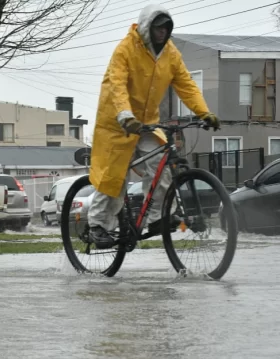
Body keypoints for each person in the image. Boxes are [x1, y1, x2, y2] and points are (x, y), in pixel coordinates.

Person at [87, 4, 220, 249]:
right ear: (147, 28)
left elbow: (186, 84)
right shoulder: (126, 49)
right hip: (116, 122)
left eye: (167, 28)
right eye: (158, 27)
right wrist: (125, 116)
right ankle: (98, 225)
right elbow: (116, 84)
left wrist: (204, 112)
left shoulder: (171, 53)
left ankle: (158, 218)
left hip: (146, 123)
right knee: (114, 175)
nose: (162, 32)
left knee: (161, 167)